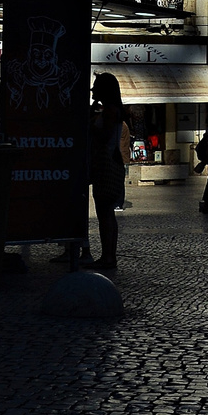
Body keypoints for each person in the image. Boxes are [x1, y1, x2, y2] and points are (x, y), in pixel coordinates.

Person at [88, 72, 125, 270]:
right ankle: (109, 255)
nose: (93, 89)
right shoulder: (111, 109)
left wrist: (91, 125)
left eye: (96, 86)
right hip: (111, 162)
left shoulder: (110, 111)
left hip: (106, 163)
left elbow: (104, 135)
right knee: (107, 212)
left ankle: (108, 256)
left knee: (104, 212)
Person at [115, 111, 132, 211]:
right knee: (119, 181)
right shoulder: (122, 125)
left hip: (120, 157)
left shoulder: (120, 126)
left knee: (119, 181)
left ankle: (118, 203)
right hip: (121, 156)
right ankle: (117, 203)